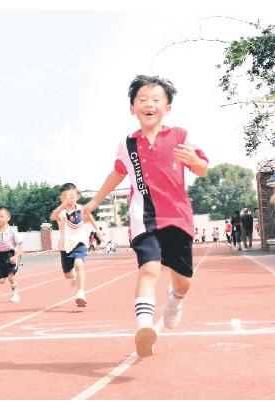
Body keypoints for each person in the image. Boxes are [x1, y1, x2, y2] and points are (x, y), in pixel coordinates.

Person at [83, 75, 209, 357]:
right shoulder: (127, 144)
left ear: (167, 107)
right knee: (149, 268)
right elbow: (118, 173)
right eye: (142, 100)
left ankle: (174, 301)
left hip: (177, 218)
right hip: (144, 217)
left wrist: (196, 163)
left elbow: (202, 168)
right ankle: (143, 326)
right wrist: (94, 201)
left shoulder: (180, 136)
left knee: (183, 280)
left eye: (155, 100)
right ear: (132, 108)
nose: (148, 104)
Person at [51, 182, 102, 308]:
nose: (69, 199)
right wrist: (62, 206)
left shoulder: (81, 209)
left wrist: (97, 230)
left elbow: (89, 217)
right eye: (66, 196)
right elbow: (53, 216)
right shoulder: (62, 212)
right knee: (67, 275)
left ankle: (81, 293)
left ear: (77, 196)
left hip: (80, 243)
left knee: (79, 264)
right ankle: (73, 275)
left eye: (72, 196)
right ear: (61, 198)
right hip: (65, 245)